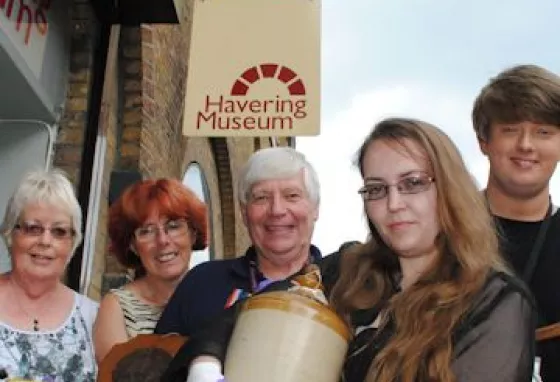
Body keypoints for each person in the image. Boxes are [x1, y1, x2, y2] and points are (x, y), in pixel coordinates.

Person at [165, 118, 536, 382]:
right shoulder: (346, 269)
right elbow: (238, 316)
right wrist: (205, 365)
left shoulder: (497, 304)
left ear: (450, 188)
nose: (393, 203)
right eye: (376, 188)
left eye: (412, 183)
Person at [155, 147, 322, 337]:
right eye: (261, 198)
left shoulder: (342, 287)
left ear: (315, 208)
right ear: (244, 213)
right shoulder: (202, 284)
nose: (276, 210)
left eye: (292, 196)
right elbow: (156, 361)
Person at [472, 64, 560, 381]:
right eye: (510, 129)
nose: (526, 144)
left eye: (544, 132)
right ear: (484, 140)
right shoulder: (439, 232)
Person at [93, 178, 208, 363]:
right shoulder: (117, 308)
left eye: (173, 226)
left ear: (193, 234)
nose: (162, 240)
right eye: (146, 231)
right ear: (132, 245)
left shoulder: (215, 295)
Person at [0, 169, 98, 381]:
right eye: (33, 228)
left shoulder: (92, 319)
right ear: (10, 233)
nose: (45, 241)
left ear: (73, 242)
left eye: (59, 231)